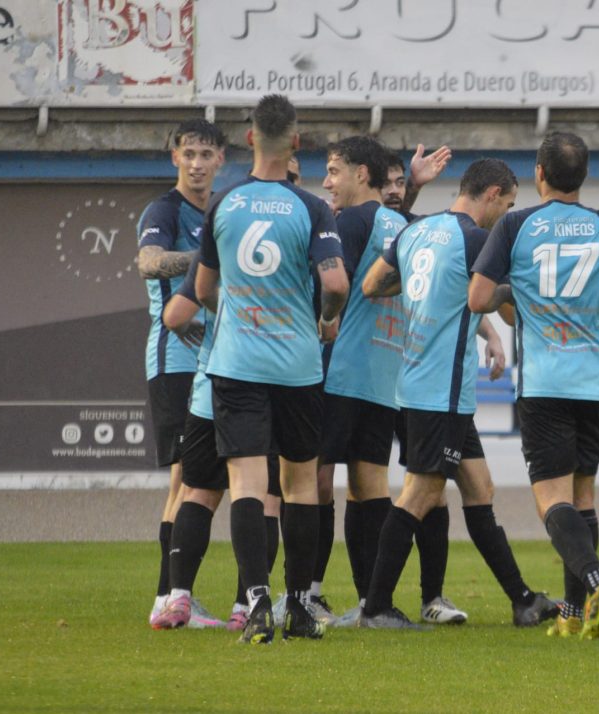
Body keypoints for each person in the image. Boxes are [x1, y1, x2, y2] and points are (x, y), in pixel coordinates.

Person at [469, 132, 599, 640]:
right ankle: (574, 617)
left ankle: (596, 584)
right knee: (582, 494)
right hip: (595, 381)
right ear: (585, 175)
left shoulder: (516, 223)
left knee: (550, 499)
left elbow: (478, 298)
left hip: (545, 381)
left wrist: (520, 290)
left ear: (538, 173)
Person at [359, 158, 559, 630]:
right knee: (420, 493)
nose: (506, 213)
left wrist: (426, 294)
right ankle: (375, 606)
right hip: (439, 392)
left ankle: (522, 599)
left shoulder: (418, 231)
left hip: (420, 385)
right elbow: (509, 313)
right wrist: (519, 289)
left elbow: (370, 285)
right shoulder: (476, 239)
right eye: (508, 204)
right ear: (491, 194)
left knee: (478, 489)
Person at [195, 94, 349, 644]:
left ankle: (255, 603)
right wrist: (326, 321)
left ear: (249, 137)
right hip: (297, 367)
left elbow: (202, 290)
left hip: (237, 364)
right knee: (301, 481)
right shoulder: (312, 208)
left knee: (246, 482)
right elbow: (335, 285)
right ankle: (301, 606)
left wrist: (235, 315)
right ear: (297, 144)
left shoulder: (225, 204)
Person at [314, 136, 468, 627]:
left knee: (313, 483)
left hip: (339, 373)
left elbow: (331, 283)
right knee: (369, 488)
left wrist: (323, 319)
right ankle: (369, 603)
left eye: (335, 170)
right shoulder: (403, 226)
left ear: (362, 174)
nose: (327, 182)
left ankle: (308, 593)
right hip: (385, 377)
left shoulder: (349, 222)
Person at [151, 258, 283, 631]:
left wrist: (205, 325)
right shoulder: (280, 260)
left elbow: (174, 317)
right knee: (265, 499)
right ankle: (245, 607)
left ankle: (178, 597)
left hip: (208, 391)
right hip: (258, 392)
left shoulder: (215, 258)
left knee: (197, 493)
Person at [136, 119, 226, 628]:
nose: (196, 163)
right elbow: (148, 262)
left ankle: (174, 598)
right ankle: (168, 599)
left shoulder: (218, 210)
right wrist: (208, 259)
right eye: (188, 153)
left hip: (216, 362)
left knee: (196, 482)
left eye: (205, 154)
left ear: (220, 160)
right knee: (183, 483)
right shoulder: (164, 210)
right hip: (176, 359)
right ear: (175, 157)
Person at [381, 144, 452, 220]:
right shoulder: (368, 224)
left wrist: (415, 184)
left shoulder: (415, 226)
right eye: (385, 184)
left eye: (400, 183)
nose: (395, 191)